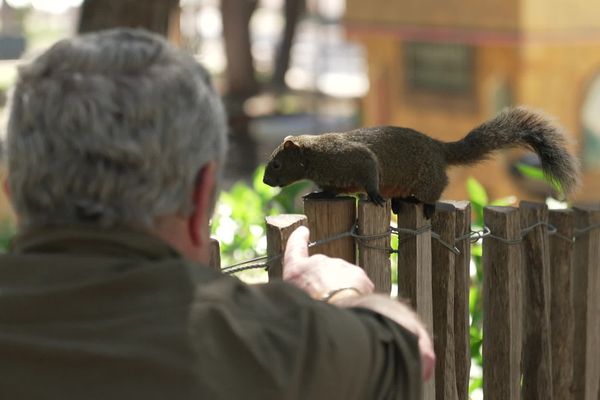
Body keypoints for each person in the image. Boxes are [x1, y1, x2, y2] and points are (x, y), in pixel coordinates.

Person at [0, 28, 434, 399]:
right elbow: (411, 352)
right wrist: (338, 294)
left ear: (12, 195)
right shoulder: (266, 340)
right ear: (201, 195)